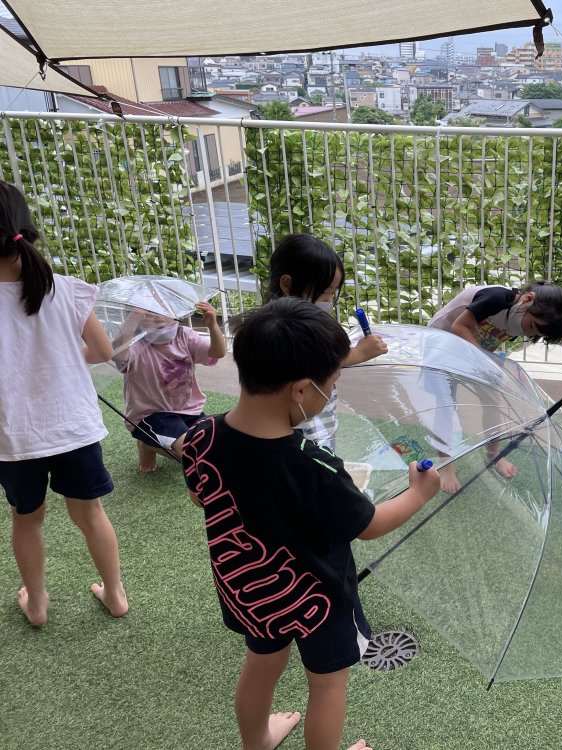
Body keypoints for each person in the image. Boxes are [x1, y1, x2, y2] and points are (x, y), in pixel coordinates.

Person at [181, 297, 440, 750]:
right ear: (301, 390)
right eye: (331, 384)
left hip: (248, 591)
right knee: (326, 685)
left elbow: (198, 491)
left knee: (261, 666)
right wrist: (419, 492)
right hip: (318, 598)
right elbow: (371, 524)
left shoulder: (199, 437)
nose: (329, 393)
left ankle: (256, 742)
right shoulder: (313, 464)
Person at [0, 180, 128, 626]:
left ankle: (37, 605)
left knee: (27, 518)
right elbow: (103, 351)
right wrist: (64, 362)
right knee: (90, 513)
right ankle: (115, 595)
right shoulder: (63, 288)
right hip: (72, 424)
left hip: (14, 436)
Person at [427, 281, 562, 492]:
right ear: (527, 299)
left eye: (536, 334)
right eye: (531, 326)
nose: (527, 333)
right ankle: (446, 465)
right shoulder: (495, 299)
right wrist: (488, 364)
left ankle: (493, 454)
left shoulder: (521, 315)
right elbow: (458, 326)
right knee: (445, 406)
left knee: (492, 400)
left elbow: (487, 339)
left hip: (472, 351)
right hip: (441, 345)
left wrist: (496, 367)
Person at [266, 233, 388, 451]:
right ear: (287, 284)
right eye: (324, 291)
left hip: (316, 419)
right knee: (313, 465)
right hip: (301, 426)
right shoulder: (285, 325)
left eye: (333, 292)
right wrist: (358, 353)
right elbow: (314, 359)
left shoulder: (293, 319)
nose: (329, 300)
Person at [114, 301, 225, 472]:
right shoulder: (137, 343)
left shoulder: (184, 335)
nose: (158, 316)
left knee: (213, 444)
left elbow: (218, 352)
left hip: (188, 410)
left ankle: (151, 444)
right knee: (191, 452)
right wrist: (132, 318)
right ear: (138, 317)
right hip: (150, 415)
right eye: (149, 312)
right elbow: (118, 354)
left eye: (164, 309)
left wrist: (213, 326)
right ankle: (147, 445)